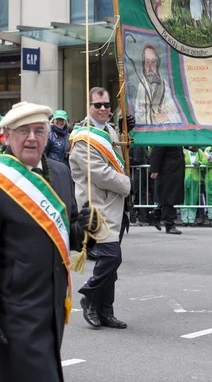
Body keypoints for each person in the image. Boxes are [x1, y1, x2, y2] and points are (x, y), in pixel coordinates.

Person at [0, 101, 97, 381]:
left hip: (52, 308)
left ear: (48, 135)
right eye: (23, 131)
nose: (31, 137)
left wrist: (84, 229)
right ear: (7, 135)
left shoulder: (61, 173)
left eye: (38, 130)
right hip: (14, 314)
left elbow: (67, 236)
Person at [69, 87, 133, 329]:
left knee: (112, 266)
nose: (104, 108)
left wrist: (128, 133)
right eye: (98, 105)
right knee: (111, 256)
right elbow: (99, 173)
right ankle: (88, 295)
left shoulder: (110, 131)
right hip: (98, 205)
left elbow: (120, 159)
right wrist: (127, 184)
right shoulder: (83, 136)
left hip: (116, 204)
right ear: (88, 107)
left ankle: (105, 311)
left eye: (107, 104)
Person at [134, 45, 182, 125]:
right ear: (143, 64)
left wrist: (167, 117)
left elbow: (177, 115)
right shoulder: (137, 86)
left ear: (157, 63)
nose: (150, 66)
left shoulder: (164, 85)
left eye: (153, 61)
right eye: (147, 62)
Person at [149, 145, 185, 234]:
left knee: (169, 196)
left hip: (175, 170)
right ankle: (169, 224)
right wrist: (154, 170)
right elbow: (156, 152)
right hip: (167, 170)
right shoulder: (163, 135)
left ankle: (156, 214)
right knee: (169, 198)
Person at [181, 147, 201, 226]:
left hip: (195, 178)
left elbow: (206, 160)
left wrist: (200, 162)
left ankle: (192, 219)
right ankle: (184, 220)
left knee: (194, 198)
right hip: (184, 177)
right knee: (184, 199)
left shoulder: (200, 152)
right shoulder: (182, 151)